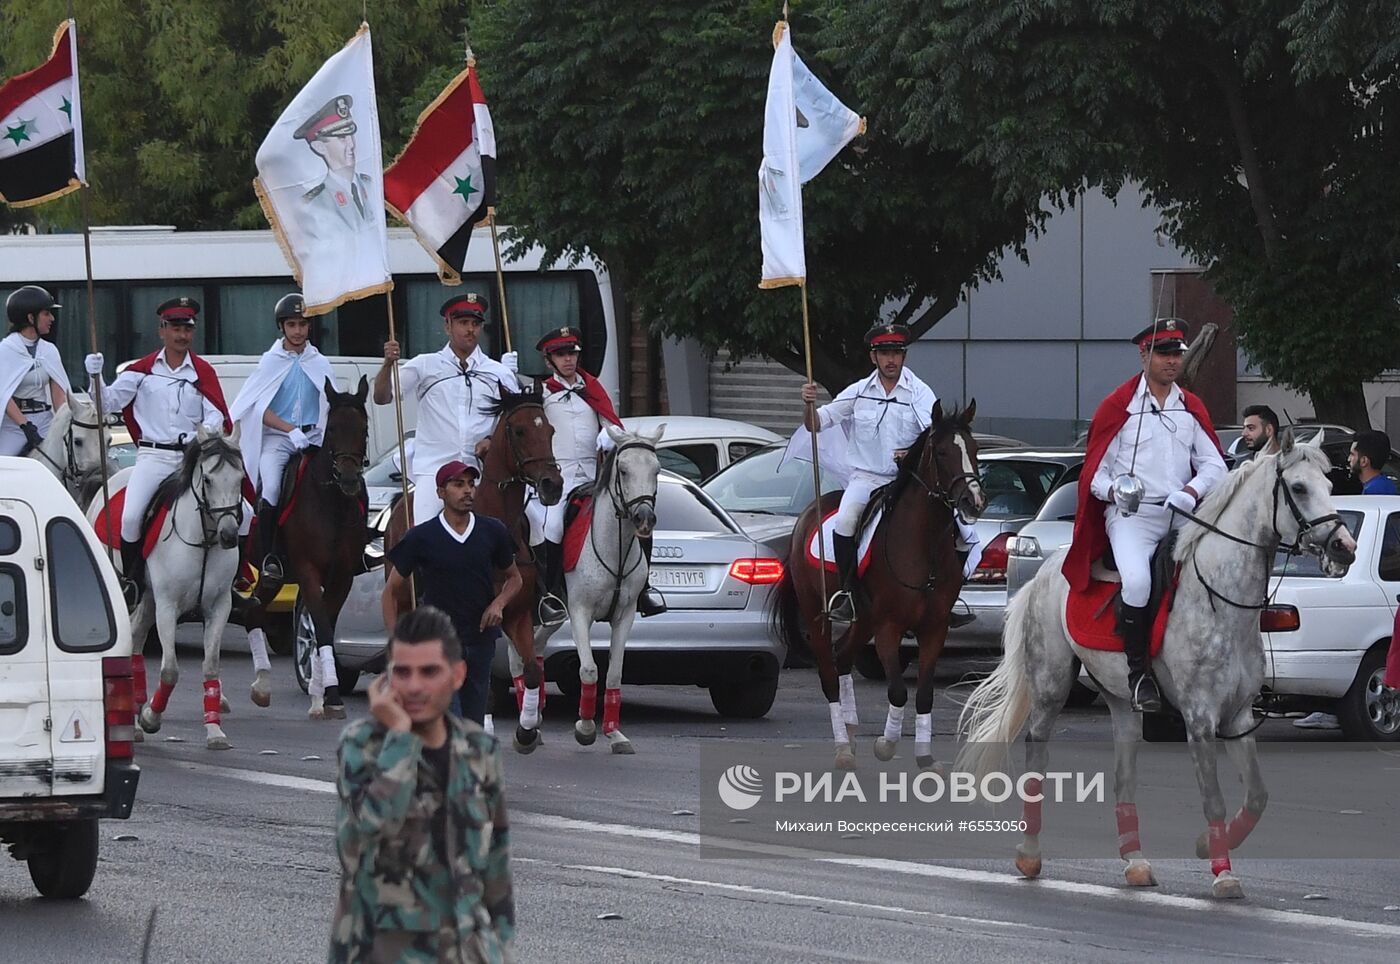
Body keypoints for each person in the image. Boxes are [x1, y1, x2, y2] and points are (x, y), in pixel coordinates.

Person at [330, 605, 515, 963]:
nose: (414, 686)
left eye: (429, 672)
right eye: (402, 672)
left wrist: (501, 950)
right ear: (386, 679)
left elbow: (496, 872)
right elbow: (366, 840)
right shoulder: (362, 745)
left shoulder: (479, 750)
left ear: (457, 675)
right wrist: (399, 737)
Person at [1064, 318, 1227, 712]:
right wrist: (1116, 490)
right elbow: (1094, 473)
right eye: (1164, 353)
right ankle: (1139, 674)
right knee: (1137, 582)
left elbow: (1215, 465)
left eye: (1177, 354)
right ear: (1144, 355)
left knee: (1217, 574)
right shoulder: (1118, 406)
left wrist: (1190, 491)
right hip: (1132, 517)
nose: (1173, 361)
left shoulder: (1191, 406)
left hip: (1180, 513)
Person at [799, 322, 978, 625]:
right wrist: (807, 404)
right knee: (844, 522)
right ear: (874, 357)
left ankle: (948, 598)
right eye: (884, 354)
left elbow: (933, 436)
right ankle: (848, 594)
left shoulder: (920, 393)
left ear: (904, 356)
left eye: (896, 353)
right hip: (866, 479)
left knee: (964, 532)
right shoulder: (857, 393)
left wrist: (910, 454)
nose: (890, 359)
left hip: (908, 481)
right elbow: (815, 424)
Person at [85, 297, 232, 608]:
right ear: (161, 330)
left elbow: (216, 413)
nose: (182, 335)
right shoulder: (142, 370)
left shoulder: (203, 372)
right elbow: (106, 404)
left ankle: (234, 580)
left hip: (193, 457)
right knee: (131, 517)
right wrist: (95, 378)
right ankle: (134, 581)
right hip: (155, 458)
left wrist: (204, 433)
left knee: (240, 512)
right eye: (175, 328)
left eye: (187, 329)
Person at [527, 326, 665, 624]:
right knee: (550, 527)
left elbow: (613, 425)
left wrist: (609, 434)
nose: (568, 360)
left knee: (637, 517)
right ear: (548, 360)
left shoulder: (592, 389)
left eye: (572, 354)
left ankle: (644, 588)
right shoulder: (543, 394)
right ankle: (548, 596)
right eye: (561, 355)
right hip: (557, 482)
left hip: (593, 480)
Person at [383, 459, 522, 726]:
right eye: (458, 485)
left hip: (481, 642)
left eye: (471, 484)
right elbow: (390, 592)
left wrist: (499, 604)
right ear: (441, 492)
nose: (467, 490)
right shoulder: (421, 537)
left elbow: (515, 579)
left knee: (473, 724)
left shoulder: (493, 531)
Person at [374, 292, 520, 525]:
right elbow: (382, 397)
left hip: (482, 472)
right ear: (447, 326)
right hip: (435, 471)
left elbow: (515, 419)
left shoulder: (497, 372)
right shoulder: (425, 364)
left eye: (475, 324)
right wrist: (387, 364)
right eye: (463, 323)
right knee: (422, 530)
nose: (470, 329)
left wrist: (492, 439)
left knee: (530, 524)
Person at [228, 293, 334, 584]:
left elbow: (333, 401)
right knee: (272, 486)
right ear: (282, 327)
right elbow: (256, 408)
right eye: (292, 324)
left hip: (314, 435)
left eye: (302, 324)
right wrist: (290, 430)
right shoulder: (270, 362)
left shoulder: (319, 362)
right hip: (279, 437)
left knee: (341, 479)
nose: (298, 330)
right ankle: (270, 555)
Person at [293, 95, 377, 241]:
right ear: (319, 147)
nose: (351, 144)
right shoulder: (313, 204)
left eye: (351, 135)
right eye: (342, 138)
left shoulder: (372, 185)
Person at [1, 286, 71, 457]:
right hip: (15, 425)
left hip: (46, 420)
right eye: (46, 314)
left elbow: (59, 393)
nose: (52, 318)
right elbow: (3, 394)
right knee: (3, 465)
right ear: (30, 317)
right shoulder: (5, 351)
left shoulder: (49, 350)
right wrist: (25, 425)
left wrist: (64, 422)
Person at [1348, 430, 1397, 495]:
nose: (1348, 459)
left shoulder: (1372, 492)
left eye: (1352, 454)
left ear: (1364, 461)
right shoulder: (1387, 484)